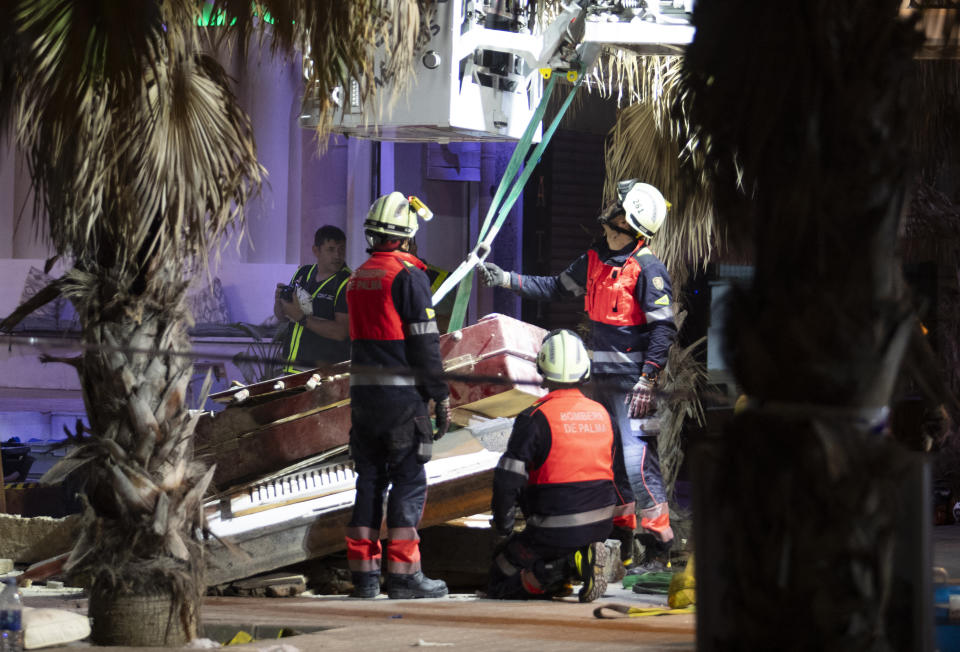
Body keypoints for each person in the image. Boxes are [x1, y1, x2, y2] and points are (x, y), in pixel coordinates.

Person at [478, 180, 677, 572]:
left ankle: (659, 544)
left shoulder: (649, 270)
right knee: (613, 463)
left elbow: (663, 330)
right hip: (600, 381)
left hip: (633, 386)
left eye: (618, 207)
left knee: (639, 467)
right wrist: (506, 279)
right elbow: (554, 287)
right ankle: (620, 541)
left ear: (628, 223)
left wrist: (647, 380)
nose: (609, 209)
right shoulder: (594, 260)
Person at [344, 192, 452, 599]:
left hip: (364, 403)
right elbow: (424, 345)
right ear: (407, 236)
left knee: (369, 482)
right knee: (408, 480)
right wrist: (439, 395)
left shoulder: (358, 277)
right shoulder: (408, 276)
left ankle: (365, 578)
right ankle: (405, 577)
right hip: (401, 403)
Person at [488, 329, 637, 602]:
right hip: (600, 529)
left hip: (550, 531)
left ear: (542, 367)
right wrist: (624, 536)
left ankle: (561, 568)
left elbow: (507, 478)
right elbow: (620, 481)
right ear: (584, 370)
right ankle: (578, 562)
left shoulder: (534, 417)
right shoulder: (603, 415)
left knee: (500, 574)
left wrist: (503, 524)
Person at [274, 225, 351, 373]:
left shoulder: (347, 282)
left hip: (322, 376)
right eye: (331, 249)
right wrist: (279, 303)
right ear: (316, 250)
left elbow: (341, 332)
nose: (337, 255)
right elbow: (282, 317)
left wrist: (302, 318)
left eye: (341, 249)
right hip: (291, 370)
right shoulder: (303, 273)